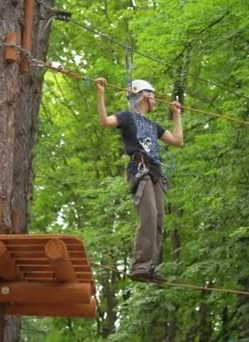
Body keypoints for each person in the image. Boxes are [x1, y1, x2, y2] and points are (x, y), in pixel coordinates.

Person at [96, 77, 183, 283]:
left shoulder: (153, 126)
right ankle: (140, 265)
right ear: (144, 95)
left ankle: (149, 267)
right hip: (140, 170)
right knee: (150, 217)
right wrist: (100, 93)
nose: (155, 99)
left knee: (159, 220)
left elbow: (178, 141)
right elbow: (105, 121)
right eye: (152, 95)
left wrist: (177, 115)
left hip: (156, 173)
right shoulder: (127, 117)